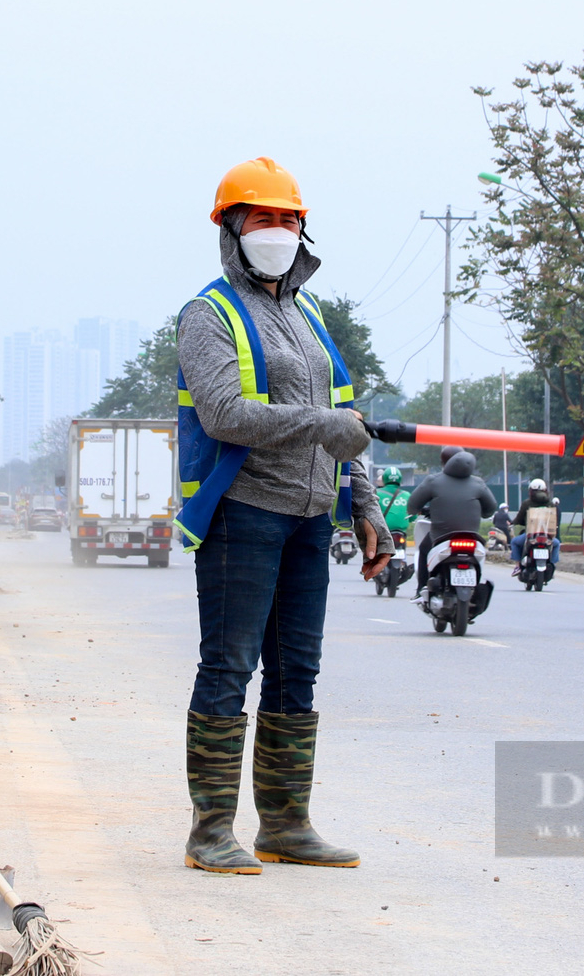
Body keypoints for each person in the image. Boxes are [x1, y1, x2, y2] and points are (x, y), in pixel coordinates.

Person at [173, 157, 390, 876]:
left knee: (297, 673)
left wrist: (366, 508)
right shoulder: (209, 313)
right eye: (261, 218)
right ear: (232, 229)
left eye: (287, 219)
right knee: (229, 667)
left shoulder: (311, 316)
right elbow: (226, 413)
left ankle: (286, 823)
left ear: (304, 230)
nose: (276, 230)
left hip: (308, 519)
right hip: (242, 514)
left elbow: (347, 422)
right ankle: (210, 829)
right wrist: (325, 424)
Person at [405, 448, 497, 595]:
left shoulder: (433, 481)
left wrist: (417, 510)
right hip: (471, 538)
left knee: (424, 550)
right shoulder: (478, 483)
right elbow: (490, 509)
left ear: (443, 463)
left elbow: (412, 505)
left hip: (441, 536)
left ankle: (421, 588)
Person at [509, 477, 556, 566]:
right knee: (556, 544)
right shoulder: (550, 504)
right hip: (547, 535)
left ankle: (518, 565)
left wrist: (512, 523)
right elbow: (554, 519)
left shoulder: (527, 503)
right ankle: (552, 564)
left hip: (531, 534)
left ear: (530, 491)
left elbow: (519, 518)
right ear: (545, 490)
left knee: (514, 542)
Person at [375, 466, 411, 548]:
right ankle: (403, 560)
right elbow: (413, 516)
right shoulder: (406, 495)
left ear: (384, 479)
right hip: (401, 532)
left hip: (383, 531)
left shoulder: (377, 493)